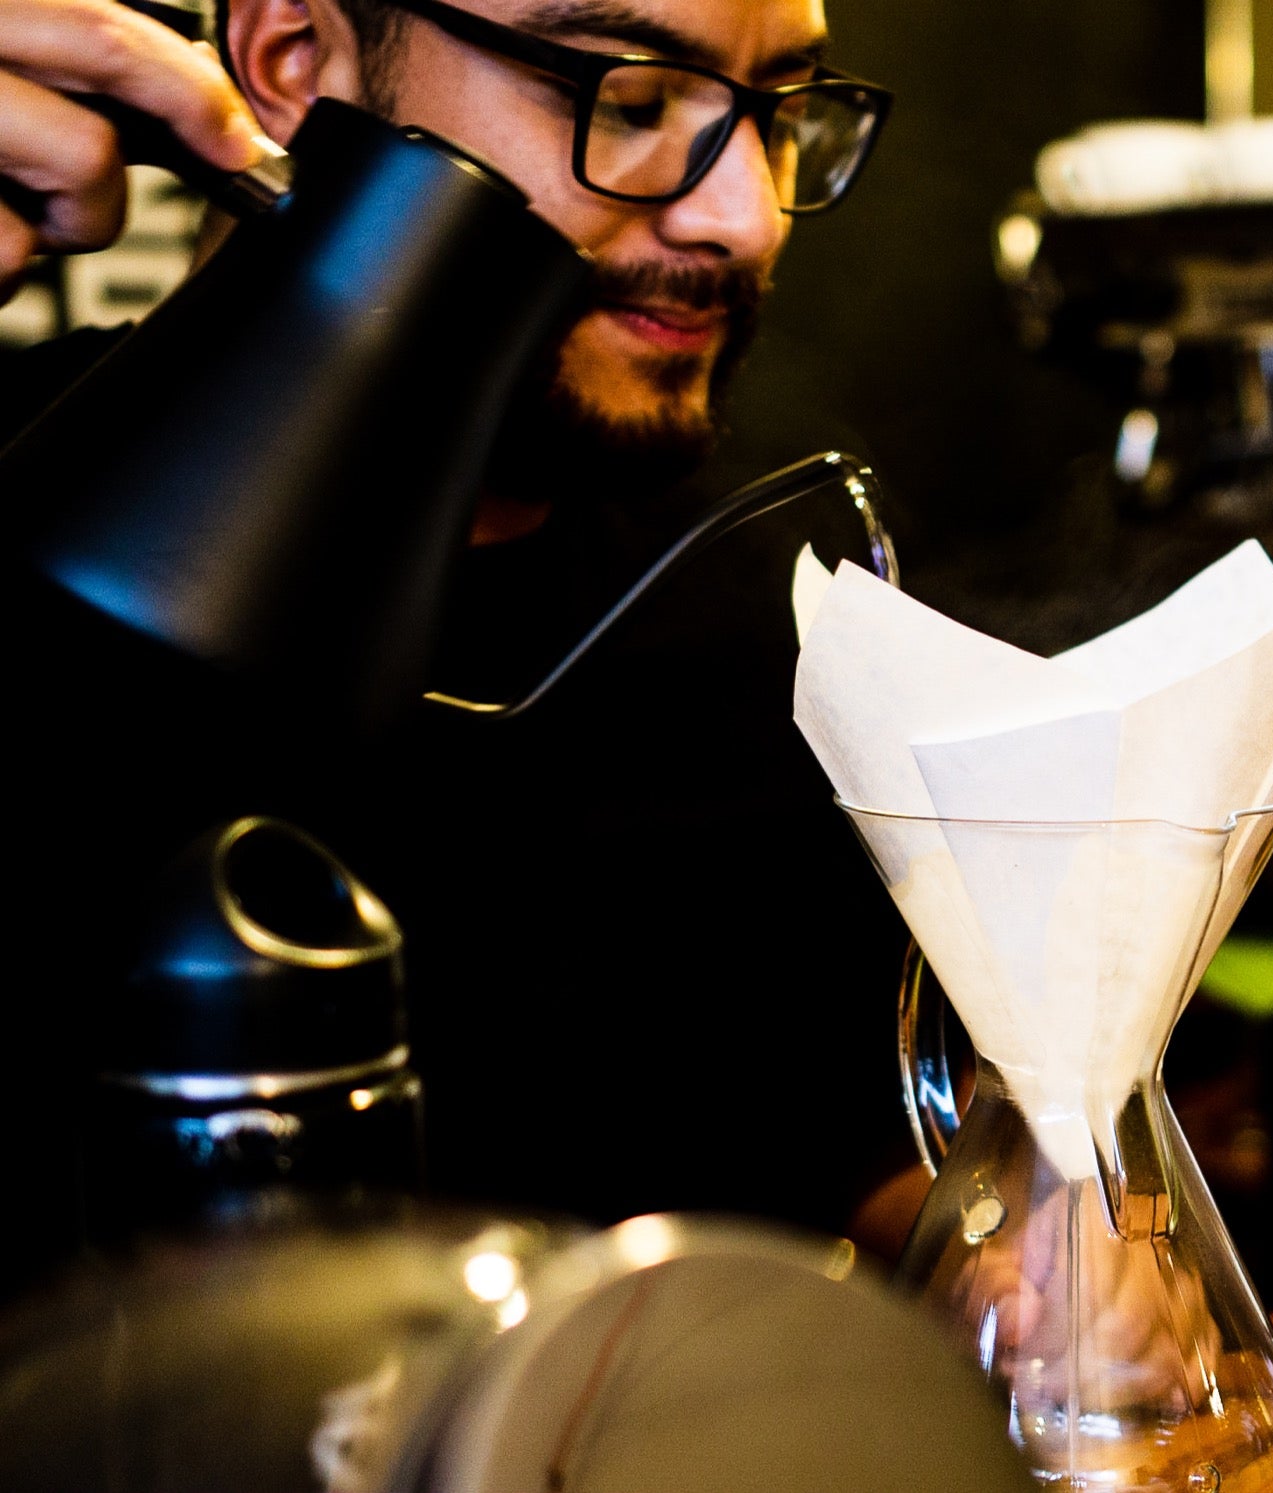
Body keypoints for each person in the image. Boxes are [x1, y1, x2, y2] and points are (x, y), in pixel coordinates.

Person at [0, 0, 922, 1281]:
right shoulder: (27, 526)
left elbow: (849, 1155)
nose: (741, 218)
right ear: (291, 61)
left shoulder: (748, 613)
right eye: (627, 99)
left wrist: (1006, 1247)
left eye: (774, 114)